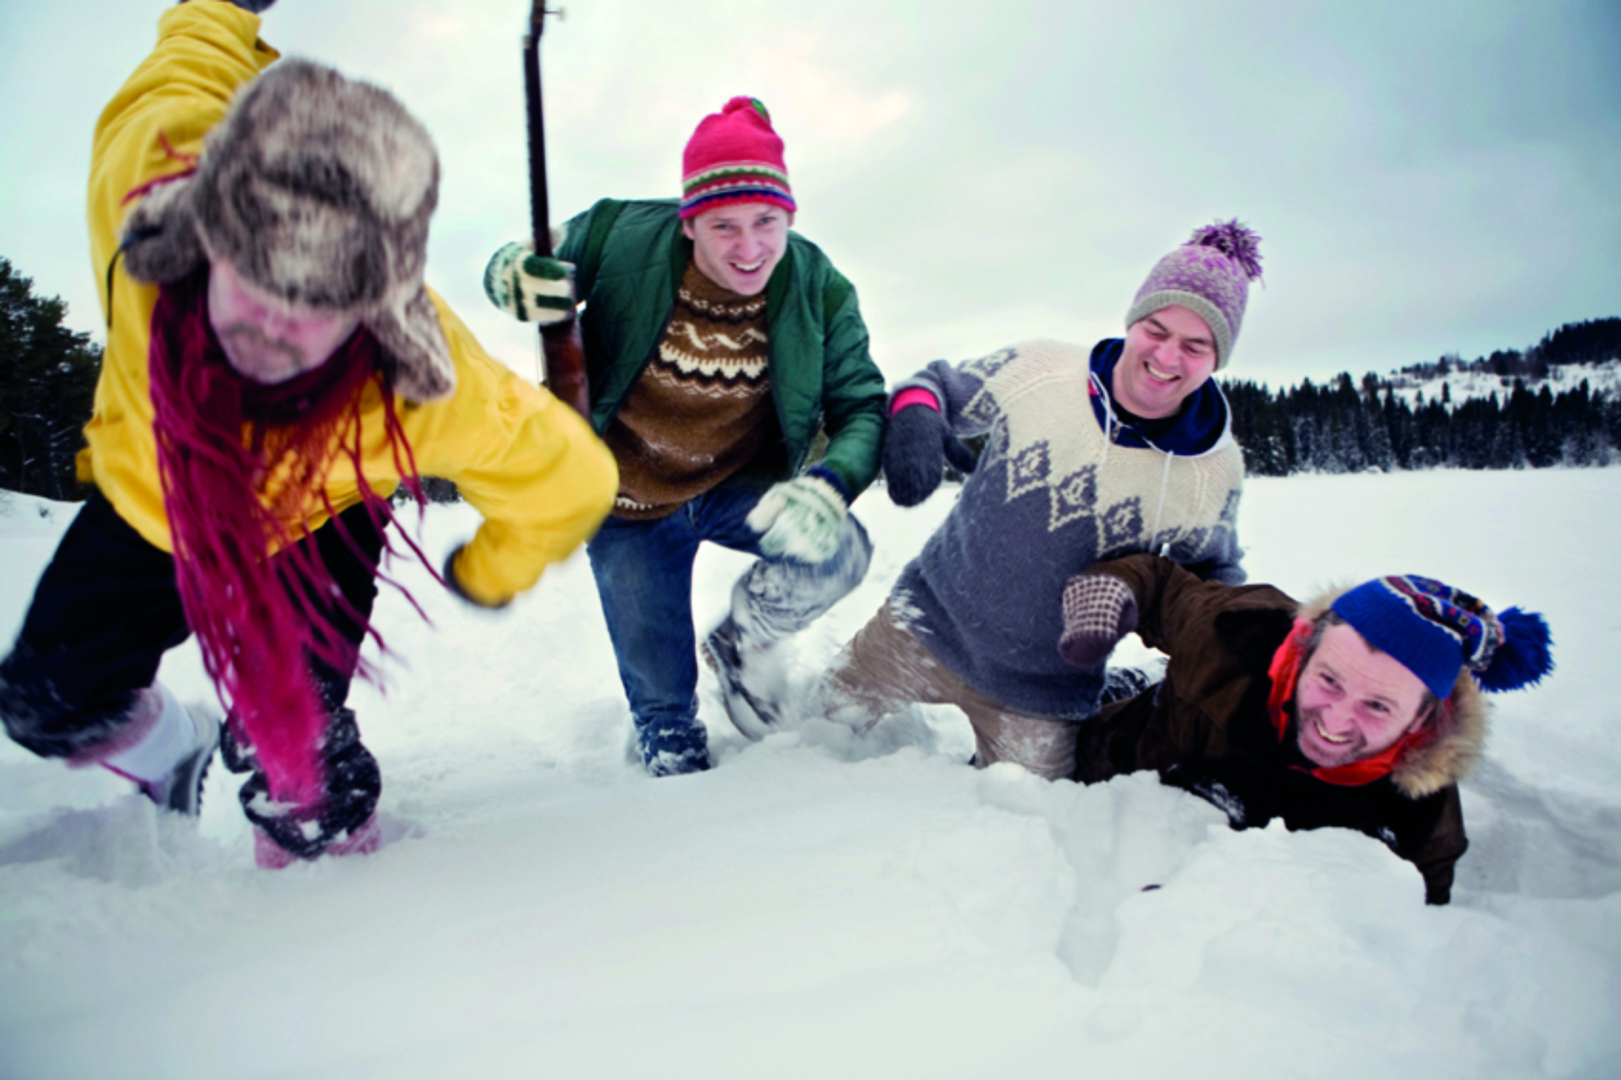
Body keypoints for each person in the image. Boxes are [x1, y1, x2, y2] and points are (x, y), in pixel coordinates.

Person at [0, 0, 617, 867]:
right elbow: (191, 52)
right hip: (161, 497)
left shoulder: (423, 382)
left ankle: (322, 909)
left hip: (320, 516)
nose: (274, 323)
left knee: (301, 773)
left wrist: (489, 568)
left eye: (320, 295)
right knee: (46, 700)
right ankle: (176, 754)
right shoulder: (149, 186)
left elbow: (566, 478)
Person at [484, 96, 887, 776]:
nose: (749, 247)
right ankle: (667, 745)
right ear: (688, 222)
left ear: (788, 215)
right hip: (626, 504)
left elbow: (861, 405)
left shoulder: (819, 285)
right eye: (723, 225)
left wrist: (830, 481)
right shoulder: (615, 233)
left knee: (837, 552)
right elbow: (523, 261)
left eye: (766, 221)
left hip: (737, 488)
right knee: (667, 731)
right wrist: (508, 275)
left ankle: (742, 642)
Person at [806, 223, 1262, 779]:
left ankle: (1113, 695)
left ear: (1218, 358)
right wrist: (918, 415)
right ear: (1133, 320)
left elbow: (1210, 579)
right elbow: (937, 385)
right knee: (808, 736)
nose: (1167, 356)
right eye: (1156, 329)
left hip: (1044, 691)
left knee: (1023, 828)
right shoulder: (1044, 369)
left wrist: (1224, 648)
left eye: (1195, 346)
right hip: (920, 624)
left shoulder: (1213, 471)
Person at [1057, 555, 1554, 904]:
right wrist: (1113, 589)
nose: (1336, 721)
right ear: (1303, 649)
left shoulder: (1417, 815)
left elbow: (1415, 933)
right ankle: (1138, 683)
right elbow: (1163, 584)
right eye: (1329, 681)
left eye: (1378, 706)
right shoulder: (1235, 636)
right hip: (1133, 740)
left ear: (1425, 722)